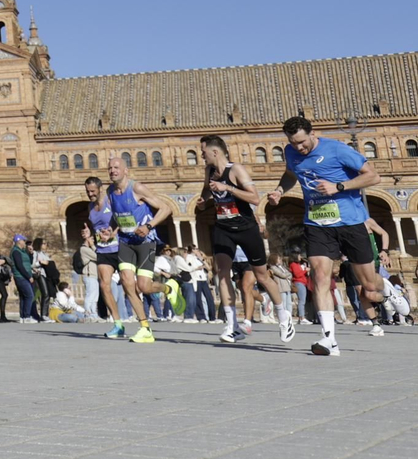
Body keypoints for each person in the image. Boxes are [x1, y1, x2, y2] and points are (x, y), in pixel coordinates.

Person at [266, 116, 386, 356]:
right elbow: (291, 174)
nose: (298, 147)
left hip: (350, 221)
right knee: (320, 276)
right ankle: (329, 338)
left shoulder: (337, 149)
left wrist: (339, 186)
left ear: (313, 133)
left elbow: (373, 176)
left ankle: (389, 291)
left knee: (370, 287)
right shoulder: (290, 152)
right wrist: (280, 190)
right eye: (293, 142)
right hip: (317, 222)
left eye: (301, 142)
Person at [195, 134, 295, 345]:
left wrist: (228, 188)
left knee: (262, 276)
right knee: (222, 273)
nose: (201, 155)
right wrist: (204, 200)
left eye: (203, 151)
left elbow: (255, 198)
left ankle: (284, 317)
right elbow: (206, 191)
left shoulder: (236, 170)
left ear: (215, 151)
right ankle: (231, 326)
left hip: (245, 227)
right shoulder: (209, 171)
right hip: (223, 227)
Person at [99, 154, 173, 343]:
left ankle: (168, 288)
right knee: (127, 282)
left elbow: (165, 208)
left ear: (125, 171)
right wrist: (112, 231)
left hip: (145, 241)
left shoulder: (137, 188)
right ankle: (145, 328)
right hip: (125, 242)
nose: (112, 171)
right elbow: (119, 216)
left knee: (144, 286)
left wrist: (148, 226)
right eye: (110, 168)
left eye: (116, 167)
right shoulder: (109, 191)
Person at [83, 177, 127, 333]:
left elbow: (123, 219)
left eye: (93, 191)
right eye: (88, 191)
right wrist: (89, 233)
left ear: (100, 188)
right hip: (102, 249)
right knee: (104, 285)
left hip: (119, 247)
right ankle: (118, 324)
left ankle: (168, 289)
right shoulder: (90, 206)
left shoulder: (110, 201)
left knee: (133, 286)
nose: (90, 194)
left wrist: (112, 233)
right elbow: (95, 227)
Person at [9, 234, 37, 323]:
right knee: (30, 295)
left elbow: (29, 262)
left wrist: (31, 254)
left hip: (24, 276)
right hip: (21, 276)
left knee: (24, 296)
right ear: (19, 241)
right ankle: (27, 316)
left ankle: (23, 317)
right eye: (23, 241)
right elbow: (19, 265)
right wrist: (28, 276)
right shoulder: (16, 251)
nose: (25, 243)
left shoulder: (23, 251)